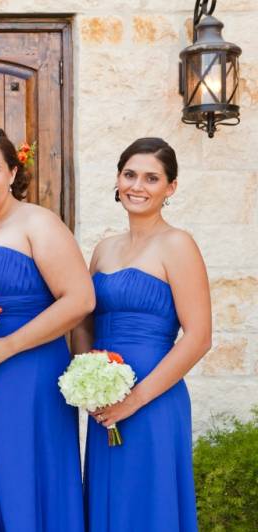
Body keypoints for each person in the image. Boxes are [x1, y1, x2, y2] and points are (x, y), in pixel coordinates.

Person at [0, 126, 93, 531]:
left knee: (25, 473)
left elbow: (80, 299)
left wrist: (6, 346)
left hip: (30, 371)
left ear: (12, 172)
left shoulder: (38, 223)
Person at [73, 137, 211, 532]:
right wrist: (87, 382)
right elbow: (84, 319)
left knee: (149, 501)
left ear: (171, 188)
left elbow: (199, 336)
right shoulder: (104, 249)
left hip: (153, 398)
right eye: (130, 174)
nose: (137, 186)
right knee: (109, 497)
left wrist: (133, 401)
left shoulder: (178, 244)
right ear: (117, 180)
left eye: (152, 178)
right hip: (105, 398)